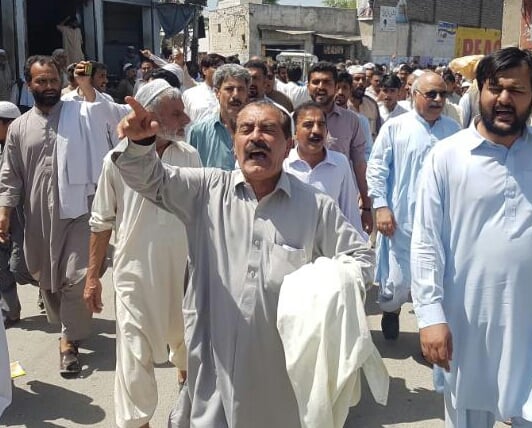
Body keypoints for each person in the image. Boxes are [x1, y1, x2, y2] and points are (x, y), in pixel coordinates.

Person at [111, 99, 374, 427]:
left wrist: (326, 286)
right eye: (246, 129)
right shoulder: (206, 190)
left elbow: (360, 259)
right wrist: (140, 144)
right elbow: (151, 180)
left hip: (280, 367)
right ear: (235, 144)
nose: (256, 137)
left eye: (268, 130)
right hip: (213, 358)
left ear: (288, 145)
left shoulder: (316, 207)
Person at [411, 47, 532, 427]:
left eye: (517, 90)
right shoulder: (447, 156)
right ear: (479, 90)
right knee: (470, 415)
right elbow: (427, 242)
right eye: (495, 88)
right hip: (467, 321)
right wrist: (430, 315)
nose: (504, 99)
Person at [85, 79, 200, 428]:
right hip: (135, 275)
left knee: (189, 346)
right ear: (150, 115)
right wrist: (92, 277)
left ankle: (189, 404)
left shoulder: (189, 155)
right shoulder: (116, 160)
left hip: (184, 272)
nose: (186, 120)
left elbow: (201, 213)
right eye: (176, 113)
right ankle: (139, 424)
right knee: (134, 357)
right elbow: (101, 221)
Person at [0, 57, 122, 375]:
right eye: (41, 81)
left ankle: (69, 341)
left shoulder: (78, 111)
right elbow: (10, 174)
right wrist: (4, 211)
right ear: (30, 85)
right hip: (38, 218)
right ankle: (66, 323)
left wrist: (85, 85)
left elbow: (103, 112)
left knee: (78, 275)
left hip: (81, 209)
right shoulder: (19, 127)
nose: (49, 86)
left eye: (53, 80)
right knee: (46, 278)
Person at [368, 72, 459, 340]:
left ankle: (428, 332)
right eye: (431, 94)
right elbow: (376, 170)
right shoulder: (395, 128)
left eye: (442, 94)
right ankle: (391, 311)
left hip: (440, 223)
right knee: (397, 281)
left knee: (434, 281)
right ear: (413, 95)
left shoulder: (453, 131)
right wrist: (381, 206)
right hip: (401, 220)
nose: (438, 99)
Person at [308, 62, 374, 234]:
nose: (320, 87)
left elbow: (360, 164)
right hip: (304, 201)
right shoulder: (294, 119)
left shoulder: (352, 121)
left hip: (341, 201)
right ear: (308, 86)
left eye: (326, 83)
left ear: (336, 87)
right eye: (315, 82)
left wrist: (366, 207)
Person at [283, 102, 364, 235]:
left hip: (329, 248)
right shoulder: (284, 163)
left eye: (321, 125)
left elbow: (350, 212)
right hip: (292, 245)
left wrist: (357, 248)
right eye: (308, 125)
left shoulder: (339, 163)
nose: (316, 130)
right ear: (295, 133)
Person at [188, 64, 250, 169]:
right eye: (229, 89)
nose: (235, 95)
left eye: (241, 89)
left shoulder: (258, 132)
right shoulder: (199, 132)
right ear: (217, 93)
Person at [0, 102, 21, 327]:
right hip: (4, 215)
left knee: (26, 265)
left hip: (24, 215)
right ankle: (11, 310)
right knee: (2, 265)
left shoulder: (20, 148)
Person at [182, 53, 225, 124]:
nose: (221, 71)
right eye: (216, 67)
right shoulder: (190, 94)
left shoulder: (231, 95)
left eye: (223, 68)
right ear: (204, 70)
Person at [347, 65, 382, 140]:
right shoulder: (342, 105)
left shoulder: (372, 104)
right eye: (356, 79)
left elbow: (378, 132)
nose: (361, 82)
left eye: (363, 79)